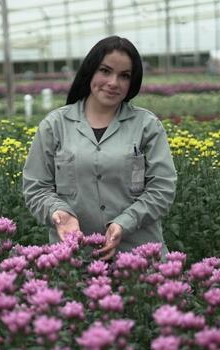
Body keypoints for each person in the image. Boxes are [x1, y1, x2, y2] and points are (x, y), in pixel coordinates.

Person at [22, 36, 177, 260]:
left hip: (139, 257)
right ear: (90, 72)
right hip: (73, 259)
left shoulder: (146, 126)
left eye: (124, 76)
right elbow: (37, 187)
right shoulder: (55, 126)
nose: (113, 82)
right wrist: (58, 212)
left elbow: (162, 189)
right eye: (105, 71)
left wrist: (124, 223)